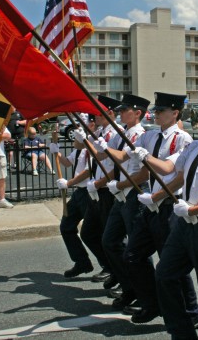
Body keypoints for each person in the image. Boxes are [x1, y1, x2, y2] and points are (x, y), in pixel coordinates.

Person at [132, 100, 198, 339]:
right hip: (183, 224)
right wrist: (157, 197)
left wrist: (193, 211)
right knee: (165, 274)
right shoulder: (194, 148)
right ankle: (181, 332)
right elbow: (178, 177)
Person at [109, 92, 198, 325]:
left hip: (169, 205)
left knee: (171, 261)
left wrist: (148, 163)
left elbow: (169, 170)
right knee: (133, 255)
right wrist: (101, 141)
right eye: (156, 110)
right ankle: (152, 303)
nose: (156, 114)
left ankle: (192, 311)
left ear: (175, 113)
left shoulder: (183, 140)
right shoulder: (149, 136)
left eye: (161, 110)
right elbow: (124, 155)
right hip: (150, 205)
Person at [95, 94, 149, 310]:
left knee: (135, 250)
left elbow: (142, 172)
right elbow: (113, 157)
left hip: (134, 192)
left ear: (137, 113)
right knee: (109, 241)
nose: (120, 112)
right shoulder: (124, 133)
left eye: (125, 109)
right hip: (121, 193)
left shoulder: (140, 135)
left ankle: (142, 292)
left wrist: (105, 148)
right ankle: (129, 286)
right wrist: (99, 144)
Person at [81, 96, 122, 284]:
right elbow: (92, 153)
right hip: (96, 188)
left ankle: (116, 272)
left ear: (110, 113)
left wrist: (100, 183)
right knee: (88, 232)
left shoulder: (117, 133)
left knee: (110, 236)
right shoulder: (100, 131)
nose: (94, 115)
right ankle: (109, 266)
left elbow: (117, 164)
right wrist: (84, 136)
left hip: (106, 188)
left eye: (97, 111)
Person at [53, 116, 97, 278]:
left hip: (89, 193)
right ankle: (82, 262)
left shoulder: (93, 144)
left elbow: (89, 170)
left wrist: (68, 183)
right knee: (66, 226)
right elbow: (67, 163)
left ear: (91, 125)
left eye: (80, 125)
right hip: (79, 192)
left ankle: (109, 267)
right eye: (77, 125)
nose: (77, 128)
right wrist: (56, 151)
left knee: (93, 232)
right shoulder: (79, 146)